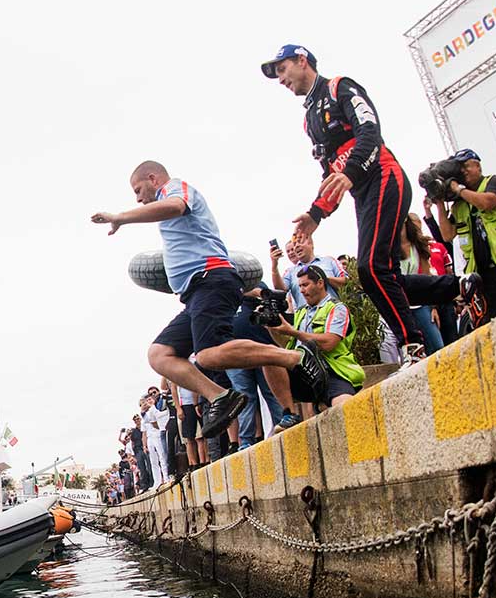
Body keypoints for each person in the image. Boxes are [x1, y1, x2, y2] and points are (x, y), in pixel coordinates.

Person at [92, 161, 325, 438]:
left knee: (208, 355)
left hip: (211, 279)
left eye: (138, 189)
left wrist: (122, 217)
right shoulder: (170, 217)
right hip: (194, 294)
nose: (138, 198)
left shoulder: (175, 188)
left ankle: (295, 357)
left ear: (153, 179)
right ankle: (220, 397)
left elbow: (176, 206)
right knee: (159, 354)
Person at [264, 44, 432, 362]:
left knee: (371, 269)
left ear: (302, 61)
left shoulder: (339, 86)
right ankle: (460, 288)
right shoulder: (309, 119)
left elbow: (370, 132)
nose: (280, 79)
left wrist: (351, 173)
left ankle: (413, 345)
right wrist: (314, 216)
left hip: (384, 176)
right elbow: (331, 174)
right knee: (380, 276)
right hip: (361, 192)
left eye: (282, 68)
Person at [430, 149, 496, 320]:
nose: (462, 172)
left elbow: (486, 202)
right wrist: (440, 204)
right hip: (484, 278)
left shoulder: (492, 182)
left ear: (477, 166)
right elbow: (447, 235)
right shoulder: (459, 205)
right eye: (459, 169)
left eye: (465, 167)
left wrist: (458, 189)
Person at [266, 265, 364, 408]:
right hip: (305, 371)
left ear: (320, 283)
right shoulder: (301, 312)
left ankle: (322, 402)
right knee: (269, 355)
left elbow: (329, 343)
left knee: (346, 407)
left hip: (332, 370)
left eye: (305, 285)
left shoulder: (337, 308)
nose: (301, 291)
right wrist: (272, 328)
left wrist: (293, 332)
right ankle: (289, 414)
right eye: (299, 286)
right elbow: (287, 344)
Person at [229, 280, 288, 446]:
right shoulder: (223, 294)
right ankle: (245, 442)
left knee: (272, 392)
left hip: (263, 351)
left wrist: (242, 291)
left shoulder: (255, 284)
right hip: (235, 356)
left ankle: (283, 428)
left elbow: (262, 293)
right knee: (245, 398)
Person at [400, 214, 444, 355]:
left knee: (437, 345)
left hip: (419, 303)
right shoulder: (387, 248)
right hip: (400, 306)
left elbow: (427, 279)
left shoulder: (418, 245)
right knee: (414, 351)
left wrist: (433, 308)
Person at [272, 235, 346, 311]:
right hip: (306, 321)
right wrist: (274, 265)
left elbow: (347, 284)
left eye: (300, 242)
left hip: (333, 316)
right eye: (294, 244)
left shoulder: (329, 261)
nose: (296, 246)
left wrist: (324, 278)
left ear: (311, 244)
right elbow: (279, 290)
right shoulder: (290, 272)